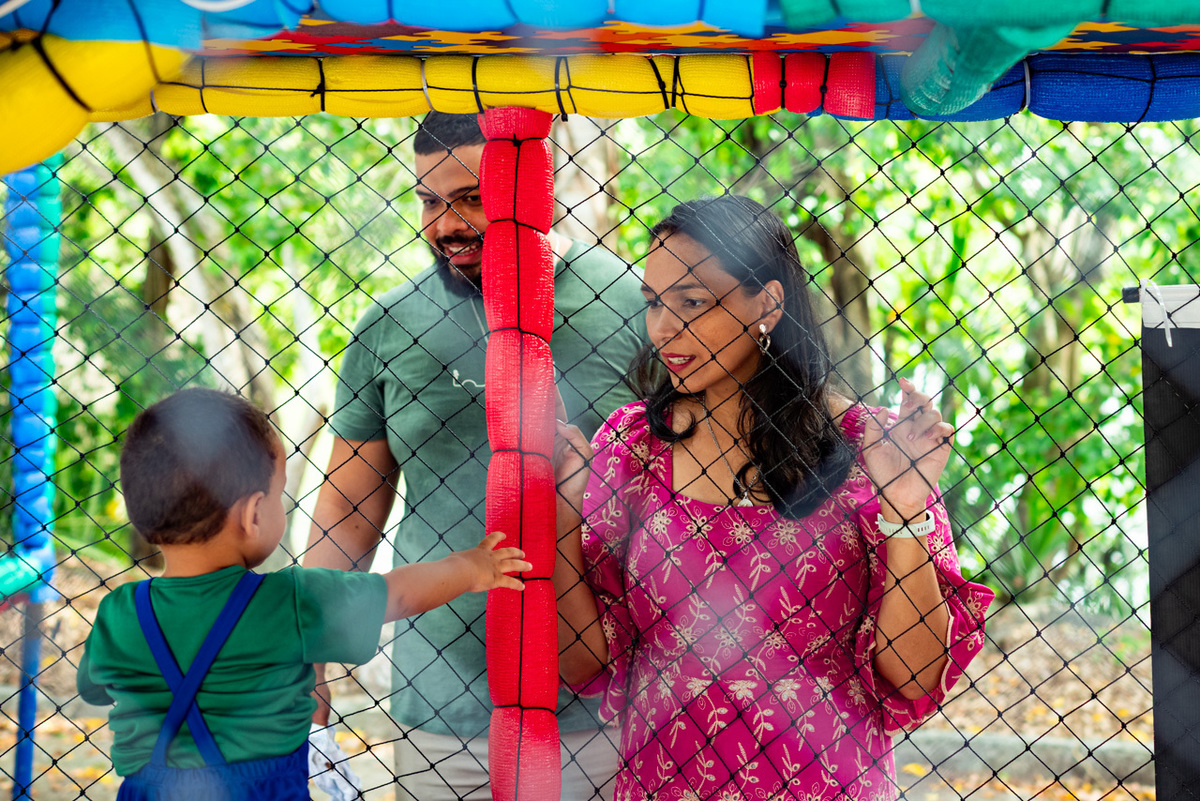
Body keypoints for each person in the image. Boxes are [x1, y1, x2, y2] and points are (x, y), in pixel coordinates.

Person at [552, 195, 994, 801]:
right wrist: (560, 512)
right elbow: (581, 666)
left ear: (767, 304)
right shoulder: (632, 446)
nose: (664, 329)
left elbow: (914, 679)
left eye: (692, 302)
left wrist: (906, 507)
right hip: (664, 781)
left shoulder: (872, 450)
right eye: (654, 302)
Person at [302, 112, 645, 799]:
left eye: (471, 199)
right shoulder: (391, 325)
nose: (446, 223)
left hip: (608, 702)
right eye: (430, 200)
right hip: (441, 710)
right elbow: (347, 508)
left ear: (528, 192)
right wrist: (307, 652)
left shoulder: (628, 302)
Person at [77, 388, 529, 800]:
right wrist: (469, 568)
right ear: (253, 514)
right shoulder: (289, 601)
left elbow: (95, 690)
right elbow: (398, 595)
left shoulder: (120, 611)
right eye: (278, 495)